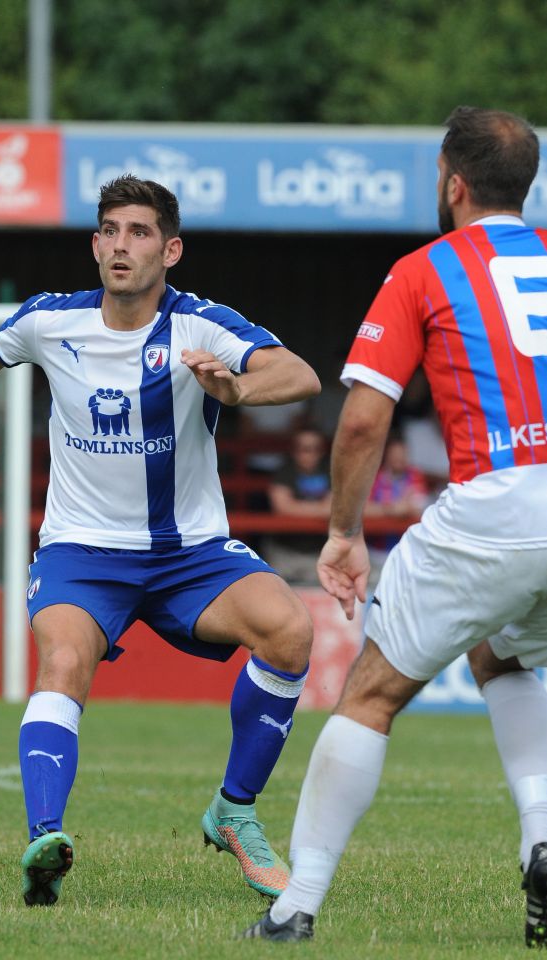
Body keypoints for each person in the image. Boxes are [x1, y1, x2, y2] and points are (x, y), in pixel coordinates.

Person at [0, 174, 322, 907]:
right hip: (82, 551)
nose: (120, 245)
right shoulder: (50, 321)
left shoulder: (200, 325)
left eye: (137, 232)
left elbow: (299, 374)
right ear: (94, 244)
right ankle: (46, 839)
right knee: (63, 659)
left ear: (171, 249)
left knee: (288, 629)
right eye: (109, 231)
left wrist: (235, 389)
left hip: (187, 552)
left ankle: (233, 810)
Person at [242, 106, 547, 945]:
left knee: (369, 696)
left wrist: (340, 533)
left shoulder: (424, 269)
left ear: (452, 183)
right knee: (501, 651)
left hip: (494, 501)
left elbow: (361, 422)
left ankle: (293, 905)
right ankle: (541, 835)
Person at [263, 427, 332, 586]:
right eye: (304, 449)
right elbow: (282, 507)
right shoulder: (283, 471)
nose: (310, 454)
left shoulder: (331, 472)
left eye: (316, 449)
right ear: (294, 450)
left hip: (321, 552)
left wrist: (298, 507)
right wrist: (320, 508)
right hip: (284, 551)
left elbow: (335, 507)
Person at [363, 435, 429, 578]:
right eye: (395, 455)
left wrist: (386, 508)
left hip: (407, 551)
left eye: (402, 454)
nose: (399, 459)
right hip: (376, 552)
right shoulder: (374, 477)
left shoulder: (415, 476)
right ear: (386, 455)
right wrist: (392, 509)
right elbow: (363, 509)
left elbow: (418, 507)